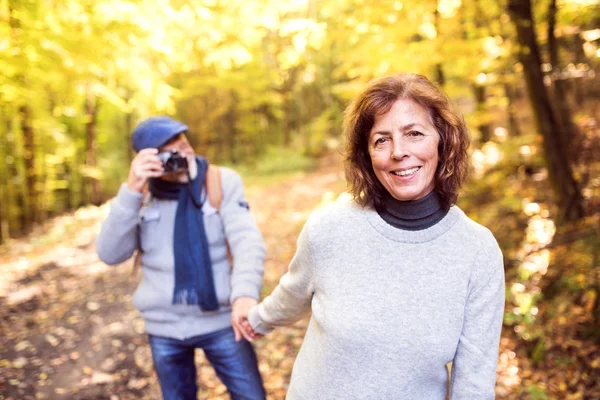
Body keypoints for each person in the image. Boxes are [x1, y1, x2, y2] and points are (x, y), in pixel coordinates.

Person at [240, 73, 505, 399]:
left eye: (414, 134)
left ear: (443, 140)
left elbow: (474, 383)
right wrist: (254, 320)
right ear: (367, 156)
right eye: (382, 140)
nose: (398, 152)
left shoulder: (478, 251)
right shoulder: (329, 230)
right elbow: (292, 294)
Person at [96, 116, 266, 400]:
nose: (183, 154)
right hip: (164, 328)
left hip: (222, 320)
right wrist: (130, 192)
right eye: (170, 151)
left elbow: (247, 242)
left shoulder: (219, 181)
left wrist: (245, 295)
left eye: (184, 145)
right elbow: (110, 254)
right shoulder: (140, 195)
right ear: (149, 159)